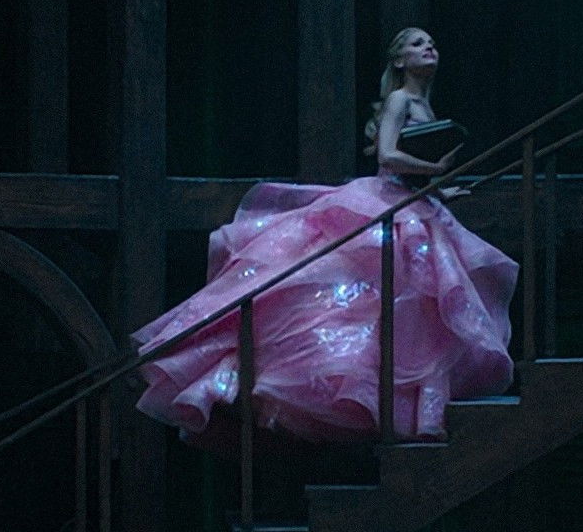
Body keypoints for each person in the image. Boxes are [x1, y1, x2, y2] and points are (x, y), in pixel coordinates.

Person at [133, 28, 518, 446]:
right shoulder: (399, 100)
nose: (429, 47)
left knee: (416, 306)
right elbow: (388, 155)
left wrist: (439, 189)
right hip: (388, 200)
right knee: (359, 291)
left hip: (416, 203)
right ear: (399, 60)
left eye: (432, 43)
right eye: (417, 44)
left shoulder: (425, 105)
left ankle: (412, 406)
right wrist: (435, 170)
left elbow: (413, 165)